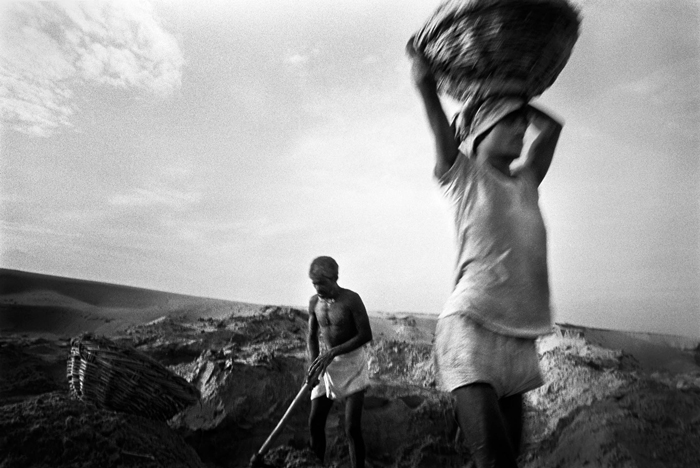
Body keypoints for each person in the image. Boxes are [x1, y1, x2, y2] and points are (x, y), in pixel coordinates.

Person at [407, 41, 563, 468]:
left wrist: (514, 98)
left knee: (506, 459)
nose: (520, 130)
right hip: (470, 331)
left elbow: (552, 130)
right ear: (479, 135)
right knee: (495, 461)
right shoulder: (463, 178)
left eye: (520, 123)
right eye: (508, 123)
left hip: (519, 339)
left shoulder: (526, 182)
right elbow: (440, 127)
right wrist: (425, 84)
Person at [306, 256, 373, 468]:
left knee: (351, 427)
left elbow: (365, 335)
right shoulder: (314, 303)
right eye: (314, 283)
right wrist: (315, 363)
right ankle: (316, 464)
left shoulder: (351, 300)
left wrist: (333, 352)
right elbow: (311, 335)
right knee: (315, 422)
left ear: (334, 278)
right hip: (327, 364)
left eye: (322, 283)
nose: (318, 288)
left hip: (353, 363)